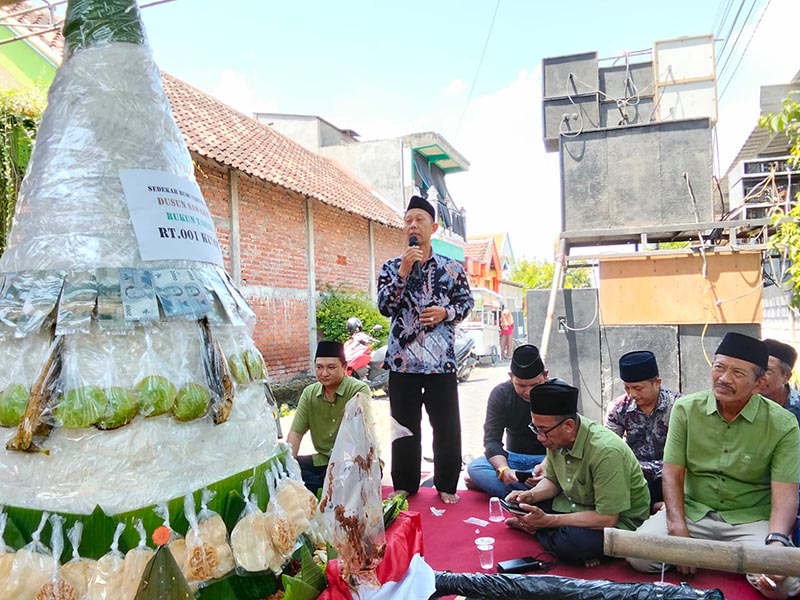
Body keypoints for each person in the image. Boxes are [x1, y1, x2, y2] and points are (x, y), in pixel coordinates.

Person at [627, 332, 800, 600]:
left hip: (750, 518)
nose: (723, 378)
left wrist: (777, 541)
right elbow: (672, 472)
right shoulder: (686, 409)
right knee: (638, 556)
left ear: (759, 384)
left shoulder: (783, 424)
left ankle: (715, 554)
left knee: (783, 587)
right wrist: (677, 525)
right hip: (695, 512)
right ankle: (716, 554)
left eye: (738, 373)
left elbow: (785, 492)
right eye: (719, 367)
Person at [377, 195, 474, 504]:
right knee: (403, 428)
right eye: (408, 221)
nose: (413, 225)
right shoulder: (392, 267)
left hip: (440, 363)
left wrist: (446, 313)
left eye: (419, 220)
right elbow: (384, 306)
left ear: (433, 226)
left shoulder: (452, 268)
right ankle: (404, 484)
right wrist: (403, 272)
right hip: (402, 363)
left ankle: (446, 484)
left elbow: (466, 303)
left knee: (446, 427)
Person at [505, 381, 650, 566]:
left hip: (616, 522)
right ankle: (541, 528)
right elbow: (554, 481)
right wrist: (531, 496)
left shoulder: (606, 451)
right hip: (574, 504)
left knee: (572, 544)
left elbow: (607, 518)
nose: (539, 438)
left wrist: (549, 521)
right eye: (536, 428)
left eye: (543, 431)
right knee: (516, 495)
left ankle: (536, 529)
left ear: (568, 426)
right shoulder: (554, 437)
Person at [465, 344, 555, 498]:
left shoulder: (558, 393)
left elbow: (569, 442)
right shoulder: (501, 394)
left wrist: (547, 465)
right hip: (512, 459)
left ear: (545, 375)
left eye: (535, 385)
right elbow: (492, 441)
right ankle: (540, 494)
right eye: (520, 385)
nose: (528, 392)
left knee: (570, 472)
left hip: (550, 459)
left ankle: (517, 492)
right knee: (475, 467)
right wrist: (503, 470)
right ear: (511, 377)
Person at [287, 340, 370, 493]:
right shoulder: (309, 393)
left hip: (354, 461)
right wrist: (288, 466)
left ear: (344, 368)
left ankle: (322, 487)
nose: (324, 373)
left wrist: (335, 473)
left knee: (350, 480)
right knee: (285, 469)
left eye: (331, 367)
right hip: (324, 460)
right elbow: (296, 434)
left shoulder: (358, 390)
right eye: (319, 367)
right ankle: (323, 487)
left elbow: (360, 439)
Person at [605, 350, 680, 511]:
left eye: (638, 388)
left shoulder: (678, 407)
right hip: (634, 477)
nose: (632, 394)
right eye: (627, 388)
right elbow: (609, 449)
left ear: (657, 383)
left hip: (671, 475)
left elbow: (688, 454)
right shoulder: (618, 408)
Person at [761, 338, 800, 427]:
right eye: (757, 368)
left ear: (786, 376)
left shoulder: (796, 408)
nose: (759, 376)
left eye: (767, 370)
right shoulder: (743, 402)